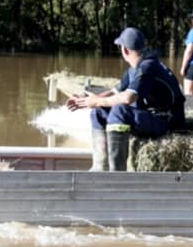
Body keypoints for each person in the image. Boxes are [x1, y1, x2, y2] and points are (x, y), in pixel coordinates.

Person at [67, 27, 186, 171]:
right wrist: (86, 100)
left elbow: (128, 98)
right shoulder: (133, 69)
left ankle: (117, 173)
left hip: (167, 122)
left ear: (125, 50)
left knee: (119, 111)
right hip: (150, 118)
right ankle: (99, 167)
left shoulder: (148, 67)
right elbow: (114, 92)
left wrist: (97, 101)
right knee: (98, 113)